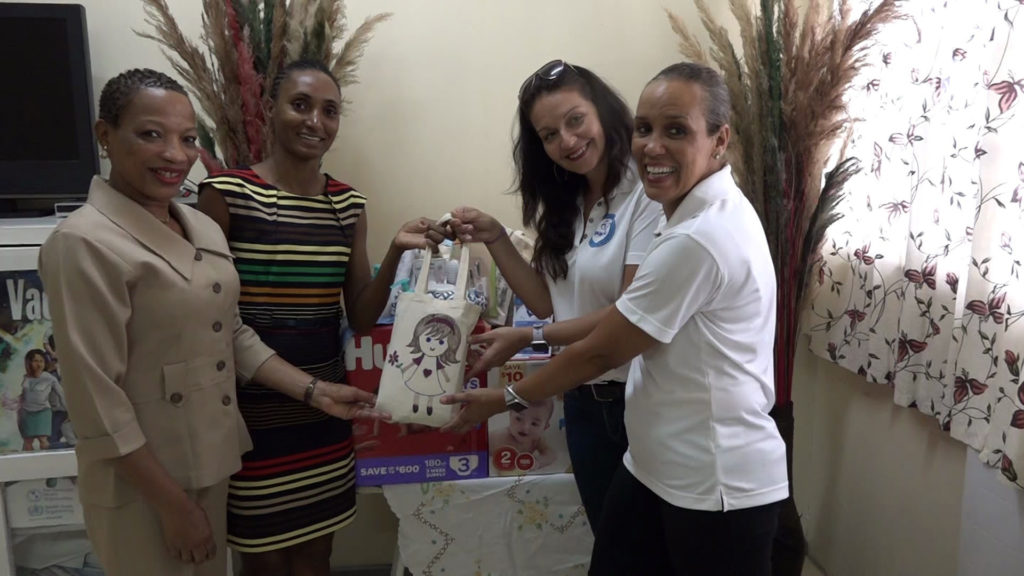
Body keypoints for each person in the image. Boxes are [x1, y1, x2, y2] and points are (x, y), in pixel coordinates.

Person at [38, 68, 388, 576]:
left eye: (187, 139)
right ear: (105, 136)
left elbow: (232, 332)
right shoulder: (82, 243)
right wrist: (173, 506)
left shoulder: (196, 224)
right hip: (145, 480)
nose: (174, 154)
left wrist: (317, 392)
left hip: (213, 459)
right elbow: (97, 404)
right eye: (151, 134)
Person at [442, 62, 788, 575]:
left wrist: (505, 395)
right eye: (645, 128)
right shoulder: (635, 207)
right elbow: (556, 303)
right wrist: (496, 240)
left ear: (719, 139)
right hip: (650, 453)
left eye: (676, 130)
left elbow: (608, 341)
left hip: (708, 472)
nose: (653, 146)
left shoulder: (689, 229)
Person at [197, 59, 444, 576]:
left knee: (316, 557)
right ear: (270, 110)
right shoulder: (226, 194)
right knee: (262, 562)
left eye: (329, 111)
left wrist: (395, 251)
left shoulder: (347, 204)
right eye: (301, 105)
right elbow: (208, 317)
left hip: (325, 413)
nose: (315, 121)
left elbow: (361, 316)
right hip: (251, 417)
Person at [445, 60, 661, 530]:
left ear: (602, 112)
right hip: (580, 399)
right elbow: (547, 302)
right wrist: (494, 236)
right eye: (548, 135)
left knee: (640, 547)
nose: (566, 141)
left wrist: (531, 339)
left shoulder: (645, 193)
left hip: (634, 400)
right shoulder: (568, 201)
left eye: (575, 120)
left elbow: (628, 312)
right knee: (610, 540)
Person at [489, 396, 557, 471]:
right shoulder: (502, 437)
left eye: (534, 424)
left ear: (545, 427)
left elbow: (551, 454)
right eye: (518, 419)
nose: (525, 427)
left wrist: (538, 462)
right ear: (510, 415)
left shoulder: (537, 439)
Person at [18, 349, 65, 451]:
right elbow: (21, 396)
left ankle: (47, 459)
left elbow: (61, 394)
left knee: (43, 439)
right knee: (28, 441)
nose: (38, 364)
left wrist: (68, 410)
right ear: (29, 362)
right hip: (26, 413)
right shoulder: (26, 377)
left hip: (43, 412)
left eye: (41, 361)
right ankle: (28, 460)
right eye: (35, 361)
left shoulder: (49, 378)